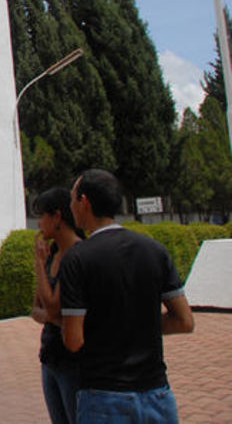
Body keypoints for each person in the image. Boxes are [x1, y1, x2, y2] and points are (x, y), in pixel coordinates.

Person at [59, 169, 195, 423]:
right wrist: (141, 327)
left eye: (72, 199)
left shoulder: (77, 259)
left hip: (104, 397)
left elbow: (74, 340)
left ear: (84, 202)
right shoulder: (155, 251)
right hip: (157, 394)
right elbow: (184, 321)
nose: (70, 207)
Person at [31, 187, 84, 424]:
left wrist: (39, 265)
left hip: (73, 361)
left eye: (42, 216)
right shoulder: (54, 253)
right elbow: (37, 307)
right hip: (50, 355)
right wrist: (52, 316)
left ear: (57, 216)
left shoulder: (77, 253)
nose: (39, 223)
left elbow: (51, 308)